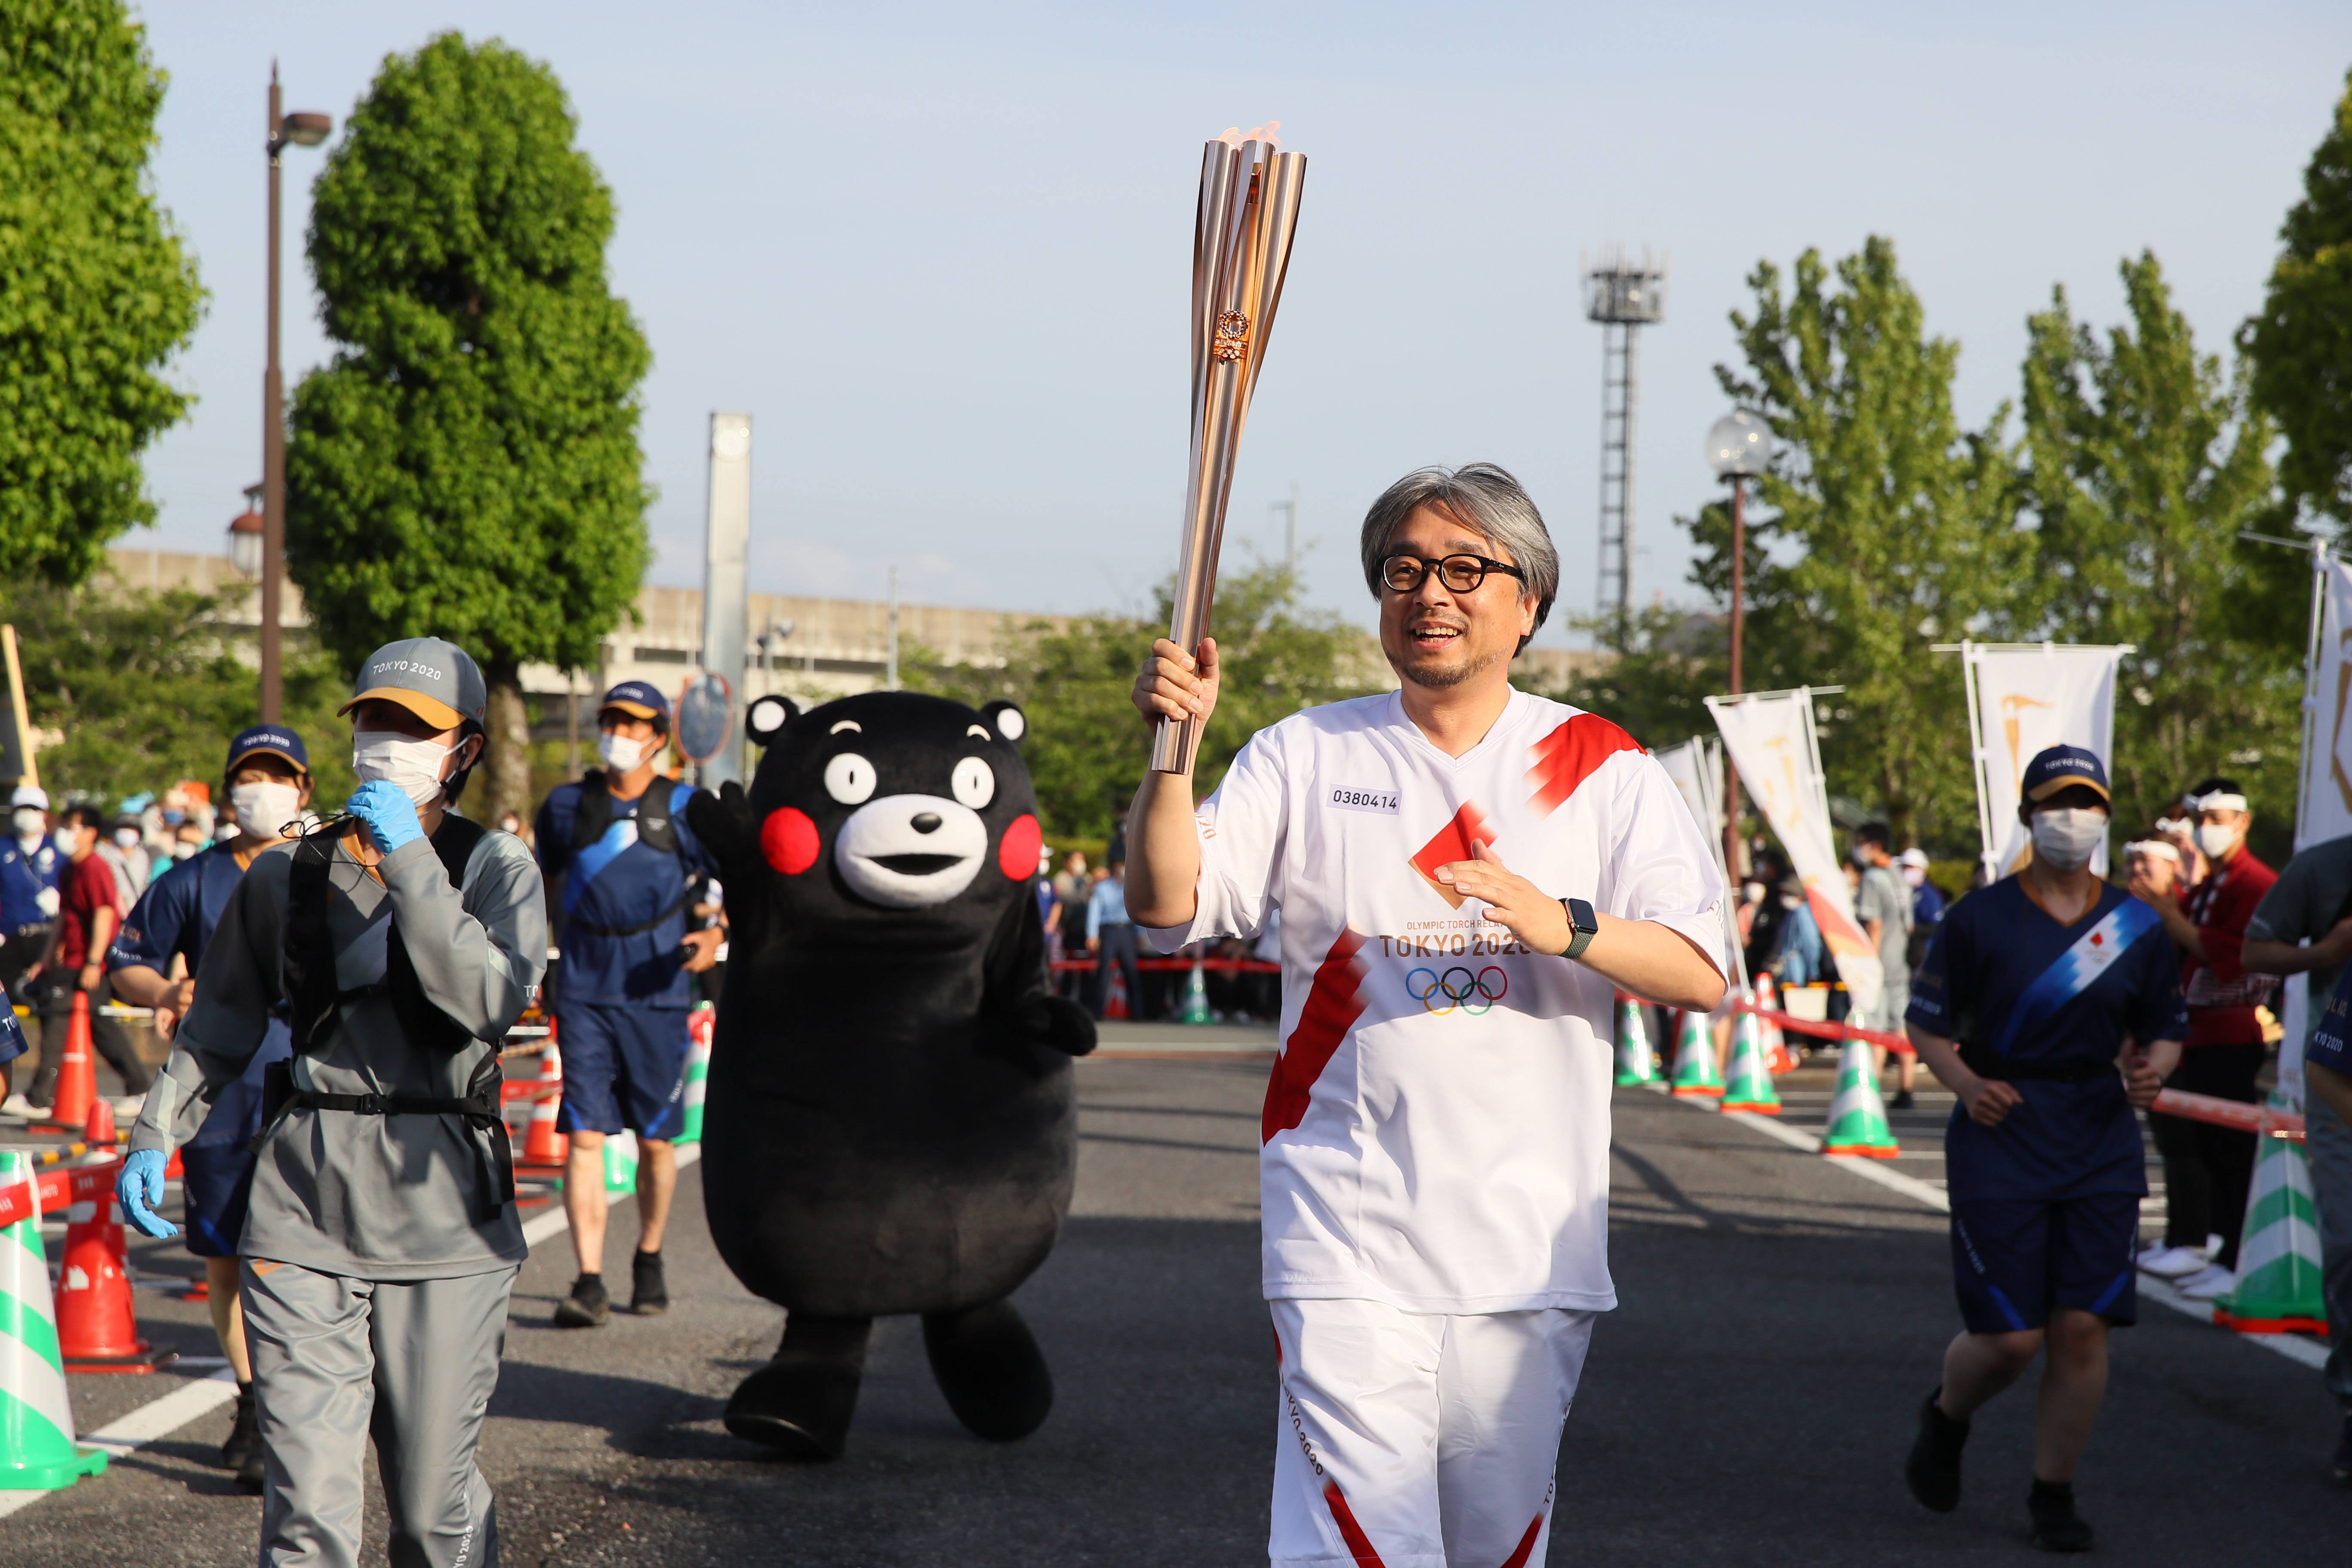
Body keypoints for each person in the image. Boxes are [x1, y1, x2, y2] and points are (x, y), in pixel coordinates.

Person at [1125, 463, 1726, 1566]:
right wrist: (1172, 756)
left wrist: (1564, 925)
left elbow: (1698, 968)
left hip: (1528, 1247)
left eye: (1463, 569)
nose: (1428, 594)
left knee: (1494, 1551)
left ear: (1527, 601)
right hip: (1344, 1234)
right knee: (1358, 1550)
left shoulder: (1598, 765)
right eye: (1402, 571)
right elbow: (1166, 906)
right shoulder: (1306, 752)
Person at [116, 636, 546, 1568]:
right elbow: (222, 1017)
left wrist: (410, 866)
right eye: (376, 721)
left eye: (416, 727)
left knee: (432, 1515)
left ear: (464, 750)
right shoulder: (285, 875)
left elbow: (487, 1002)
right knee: (307, 1510)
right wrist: (157, 1129)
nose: (389, 741)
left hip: (447, 1216)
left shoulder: (496, 867)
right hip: (305, 1200)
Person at [1902, 745, 2184, 1552]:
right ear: (2028, 815)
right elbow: (1927, 1020)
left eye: (2088, 802)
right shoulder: (1977, 917)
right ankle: (1947, 1416)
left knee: (2082, 1326)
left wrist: (2152, 1071)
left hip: (2097, 1127)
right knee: (2009, 1337)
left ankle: (2052, 1490)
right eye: (2058, 802)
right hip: (2002, 1123)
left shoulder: (2136, 923)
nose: (2074, 817)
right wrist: (1962, 1082)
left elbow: (2166, 1025)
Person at [107, 723, 314, 1490]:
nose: (261, 788)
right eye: (249, 775)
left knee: (308, 1254)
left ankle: (309, 1400)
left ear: (305, 788)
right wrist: (165, 990)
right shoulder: (191, 879)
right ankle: (254, 1401)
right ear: (229, 789)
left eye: (278, 774)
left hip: (317, 1094)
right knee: (227, 1255)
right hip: (219, 1093)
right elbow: (125, 961)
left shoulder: (328, 873)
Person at [534, 680, 721, 1328]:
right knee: (585, 1136)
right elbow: (546, 883)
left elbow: (735, 880)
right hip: (585, 990)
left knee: (656, 1143)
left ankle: (649, 1255)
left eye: (636, 724)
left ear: (659, 739)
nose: (620, 732)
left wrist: (716, 934)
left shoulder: (687, 808)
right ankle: (588, 1278)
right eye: (612, 720)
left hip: (660, 993)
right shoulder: (564, 806)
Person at [2132, 778, 2275, 1301]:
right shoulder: (2218, 880)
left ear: (2242, 822)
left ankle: (2234, 1253)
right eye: (2202, 819)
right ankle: (2217, 1245)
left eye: (2217, 819)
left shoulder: (2252, 881)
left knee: (2229, 1151)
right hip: (2199, 1033)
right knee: (2205, 1148)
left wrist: (2171, 915)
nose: (2207, 830)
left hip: (2228, 1032)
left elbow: (2233, 955)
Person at [2237, 828, 2352, 1480]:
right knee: (2348, 1243)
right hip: (2341, 1084)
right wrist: (2329, 953)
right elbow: (2254, 950)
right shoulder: (2323, 868)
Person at [25, 802, 150, 1113]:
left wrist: (95, 962)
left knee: (58, 1020)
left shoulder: (95, 868)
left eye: (74, 826)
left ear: (91, 833)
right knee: (100, 1027)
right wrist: (44, 960)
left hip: (86, 962)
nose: (67, 832)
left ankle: (40, 1096)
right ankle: (140, 1087)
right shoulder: (70, 869)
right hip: (69, 962)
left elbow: (104, 915)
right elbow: (64, 916)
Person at [1855, 823, 1917, 1109]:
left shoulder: (1872, 878)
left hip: (1880, 965)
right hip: (1900, 963)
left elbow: (1874, 925)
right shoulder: (1899, 876)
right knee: (1901, 1027)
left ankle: (1872, 1091)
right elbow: (1910, 925)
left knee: (1876, 1029)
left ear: (1875, 845)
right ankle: (1907, 1088)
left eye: (1861, 843)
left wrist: (1868, 966)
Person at [1086, 856, 1143, 1020]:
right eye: (1119, 865)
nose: (1122, 869)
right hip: (1109, 931)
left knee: (1131, 972)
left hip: (1127, 930)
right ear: (1113, 867)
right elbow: (1095, 912)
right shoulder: (1102, 888)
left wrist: (1139, 934)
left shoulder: (1131, 887)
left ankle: (1137, 1013)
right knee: (1104, 971)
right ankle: (1098, 1011)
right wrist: (1092, 935)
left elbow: (1137, 911)